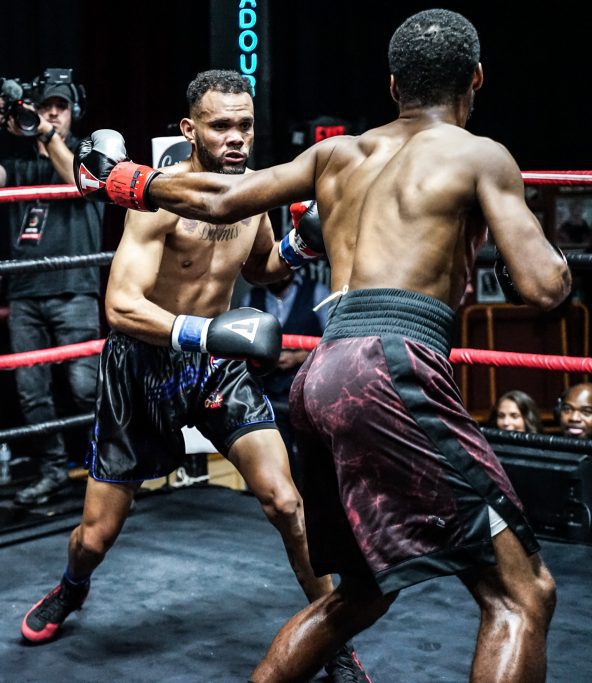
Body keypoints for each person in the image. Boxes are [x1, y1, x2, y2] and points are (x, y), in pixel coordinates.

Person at [75, 10, 571, 681]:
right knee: (522, 593)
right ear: (476, 78)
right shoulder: (482, 155)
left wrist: (124, 179)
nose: (236, 136)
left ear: (393, 86)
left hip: (324, 372)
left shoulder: (339, 154)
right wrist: (545, 258)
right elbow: (542, 289)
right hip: (389, 368)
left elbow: (224, 202)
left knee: (359, 592)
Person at [22, 70, 368, 681]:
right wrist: (206, 333)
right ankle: (72, 586)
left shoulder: (253, 192)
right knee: (96, 537)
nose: (236, 138)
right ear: (190, 129)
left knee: (287, 503)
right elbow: (121, 306)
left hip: (215, 370)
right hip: (142, 367)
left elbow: (260, 268)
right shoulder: (160, 198)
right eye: (221, 126)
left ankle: (330, 639)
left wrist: (300, 246)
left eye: (245, 126)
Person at [0, 71, 102, 505]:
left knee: (85, 387)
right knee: (32, 393)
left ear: (74, 111)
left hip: (74, 288)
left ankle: (109, 471)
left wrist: (47, 134)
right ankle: (53, 470)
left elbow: (77, 182)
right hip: (24, 293)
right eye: (46, 107)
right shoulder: (20, 165)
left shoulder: (91, 152)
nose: (53, 114)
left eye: (61, 107)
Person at [244, 263, 332, 465]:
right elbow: (242, 344)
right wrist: (265, 357)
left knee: (314, 460)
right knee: (276, 460)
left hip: (308, 393)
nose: (275, 272)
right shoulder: (251, 299)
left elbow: (333, 340)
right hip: (267, 396)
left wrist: (301, 356)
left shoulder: (317, 292)